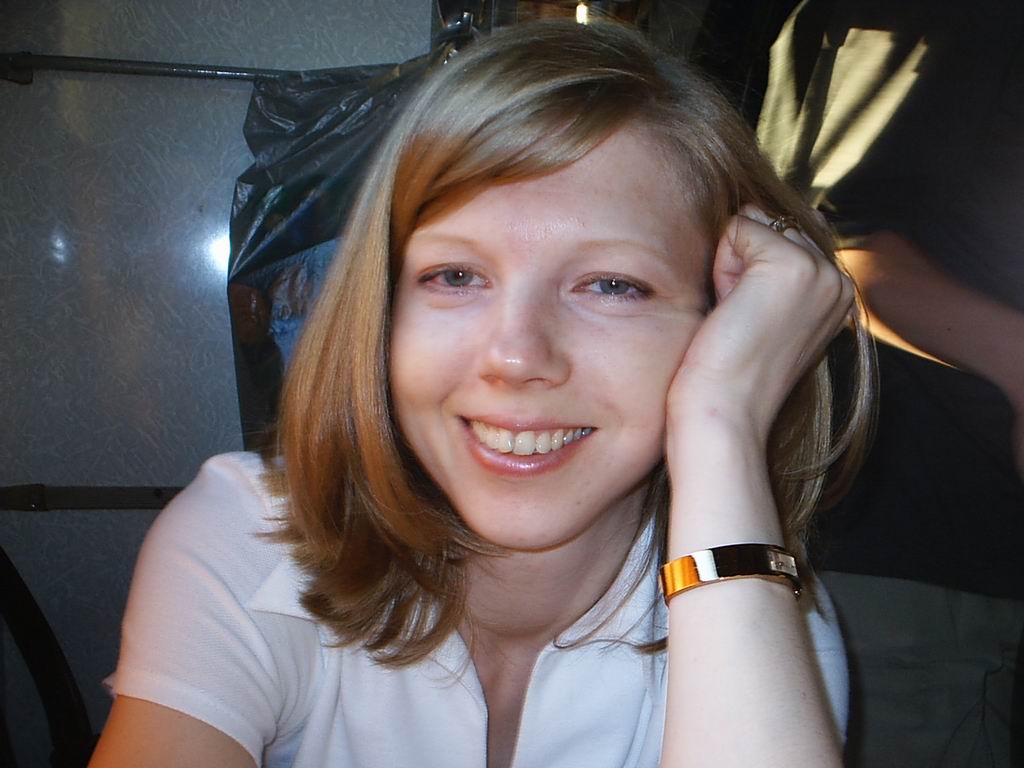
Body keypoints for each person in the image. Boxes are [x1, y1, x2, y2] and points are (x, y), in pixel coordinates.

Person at [89, 19, 873, 768]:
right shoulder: (252, 540)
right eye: (455, 276)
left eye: (612, 285)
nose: (516, 356)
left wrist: (722, 422)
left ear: (721, 321)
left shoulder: (757, 608)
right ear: (381, 310)